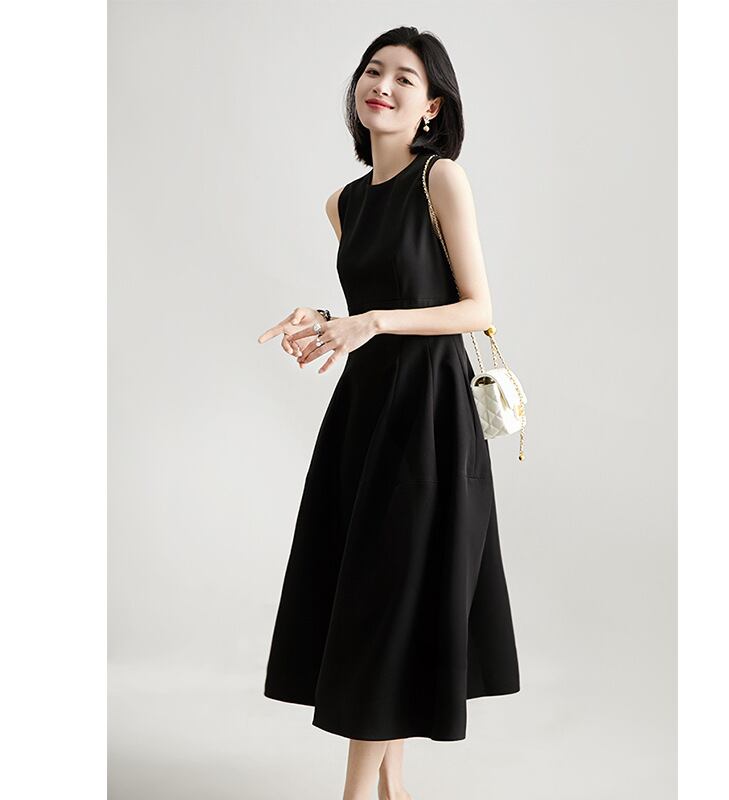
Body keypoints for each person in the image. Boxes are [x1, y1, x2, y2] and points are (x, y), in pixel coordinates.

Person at [258, 26, 520, 800]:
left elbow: (476, 309)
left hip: (430, 418)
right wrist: (324, 319)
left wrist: (370, 322)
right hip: (364, 416)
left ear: (432, 106)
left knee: (388, 604)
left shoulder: (442, 179)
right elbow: (372, 296)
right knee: (378, 604)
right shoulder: (342, 203)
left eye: (406, 78)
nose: (384, 85)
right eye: (374, 71)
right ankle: (391, 793)